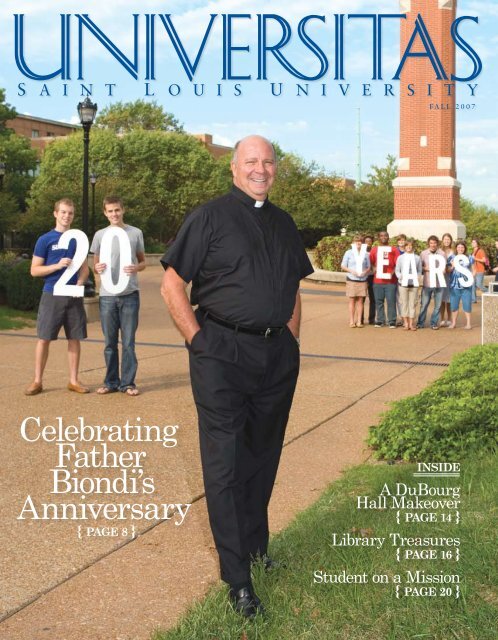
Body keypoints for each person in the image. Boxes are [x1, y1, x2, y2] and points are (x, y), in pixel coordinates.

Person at [160, 135, 313, 618]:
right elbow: (171, 283)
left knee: (262, 456)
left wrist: (291, 342)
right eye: (251, 161)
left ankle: (256, 546)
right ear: (234, 167)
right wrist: (199, 342)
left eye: (268, 161)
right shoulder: (208, 217)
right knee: (225, 464)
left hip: (275, 357)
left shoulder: (285, 223)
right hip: (221, 352)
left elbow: (292, 289)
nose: (260, 168)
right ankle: (238, 580)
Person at [25, 198, 89, 395]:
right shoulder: (45, 240)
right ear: (55, 214)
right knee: (44, 338)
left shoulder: (78, 239)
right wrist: (56, 266)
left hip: (73, 296)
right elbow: (34, 271)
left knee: (74, 338)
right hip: (52, 294)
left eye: (70, 213)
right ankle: (37, 381)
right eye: (63, 212)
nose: (66, 216)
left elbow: (85, 269)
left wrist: (81, 281)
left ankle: (73, 380)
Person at [91, 197, 146, 396]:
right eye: (110, 211)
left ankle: (128, 383)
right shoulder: (99, 235)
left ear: (123, 210)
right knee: (109, 343)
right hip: (107, 296)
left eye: (117, 210)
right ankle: (111, 382)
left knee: (129, 342)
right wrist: (96, 268)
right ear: (105, 213)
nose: (114, 214)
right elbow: (95, 265)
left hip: (130, 294)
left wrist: (136, 267)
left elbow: (143, 262)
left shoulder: (135, 233)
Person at [369, 231, 400, 328]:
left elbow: (398, 264)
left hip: (390, 281)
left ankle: (392, 320)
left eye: (385, 235)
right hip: (378, 281)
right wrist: (374, 269)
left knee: (391, 301)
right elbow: (370, 262)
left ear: (388, 237)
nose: (383, 237)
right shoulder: (374, 250)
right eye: (381, 235)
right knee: (379, 301)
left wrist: (392, 272)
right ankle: (380, 320)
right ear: (379, 238)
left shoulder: (394, 249)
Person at [341, 235, 370, 327]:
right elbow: (343, 266)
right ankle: (351, 321)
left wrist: (365, 272)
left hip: (362, 279)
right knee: (352, 300)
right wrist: (352, 271)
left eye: (360, 241)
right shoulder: (348, 253)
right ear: (353, 243)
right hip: (352, 279)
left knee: (360, 301)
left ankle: (359, 321)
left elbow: (369, 267)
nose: (358, 243)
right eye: (356, 241)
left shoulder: (365, 254)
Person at [417, 235, 445, 330]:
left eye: (435, 243)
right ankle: (420, 323)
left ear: (437, 243)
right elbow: (420, 267)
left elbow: (444, 268)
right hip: (427, 283)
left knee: (437, 305)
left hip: (439, 283)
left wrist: (442, 270)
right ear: (428, 243)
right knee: (424, 304)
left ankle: (433, 323)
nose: (433, 245)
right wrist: (426, 268)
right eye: (431, 243)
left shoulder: (442, 253)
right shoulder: (423, 253)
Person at [395, 238, 421, 331]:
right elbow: (397, 270)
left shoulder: (417, 258)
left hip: (413, 284)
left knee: (412, 304)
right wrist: (400, 276)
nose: (409, 247)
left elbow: (419, 271)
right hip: (403, 284)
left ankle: (411, 323)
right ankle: (405, 323)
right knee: (404, 304)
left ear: (413, 247)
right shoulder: (400, 258)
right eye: (407, 246)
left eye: (410, 246)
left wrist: (418, 277)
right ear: (405, 247)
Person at [448, 240, 474, 330]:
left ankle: (468, 324)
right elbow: (448, 271)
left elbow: (474, 270)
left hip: (466, 286)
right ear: (456, 248)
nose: (460, 249)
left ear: (465, 248)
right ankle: (454, 323)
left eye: (462, 247)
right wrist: (452, 267)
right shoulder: (451, 257)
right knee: (454, 305)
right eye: (459, 247)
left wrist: (471, 278)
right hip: (454, 285)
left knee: (467, 304)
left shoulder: (469, 257)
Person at [440, 233, 454, 327]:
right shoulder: (439, 251)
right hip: (441, 276)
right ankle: (441, 319)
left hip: (451, 277)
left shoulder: (454, 251)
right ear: (442, 240)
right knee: (441, 299)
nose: (446, 241)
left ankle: (449, 318)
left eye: (448, 239)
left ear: (451, 240)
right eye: (445, 239)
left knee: (449, 300)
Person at [471, 237, 488, 303]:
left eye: (474, 242)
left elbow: (484, 260)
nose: (473, 243)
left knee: (479, 285)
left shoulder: (481, 251)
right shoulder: (473, 251)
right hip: (474, 271)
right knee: (472, 286)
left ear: (477, 243)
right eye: (472, 242)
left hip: (480, 271)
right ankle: (473, 299)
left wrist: (475, 258)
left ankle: (490, 292)